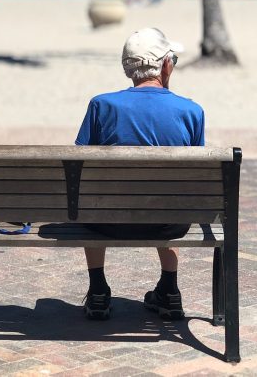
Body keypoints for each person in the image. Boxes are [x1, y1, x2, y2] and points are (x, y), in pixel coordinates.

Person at [75, 27, 205, 321]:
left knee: (91, 198)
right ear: (166, 65)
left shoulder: (101, 106)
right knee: (170, 195)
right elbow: (194, 179)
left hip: (107, 222)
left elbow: (79, 167)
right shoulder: (191, 111)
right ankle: (170, 289)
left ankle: (97, 290)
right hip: (168, 224)